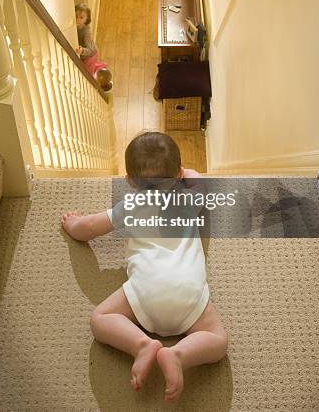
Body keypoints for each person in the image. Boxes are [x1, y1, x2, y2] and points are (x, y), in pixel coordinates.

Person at [61, 132, 228, 402]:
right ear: (178, 174)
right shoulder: (188, 199)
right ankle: (179, 354)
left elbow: (87, 229)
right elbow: (204, 187)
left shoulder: (129, 205)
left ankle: (140, 345)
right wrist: (191, 174)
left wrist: (73, 224)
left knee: (100, 319)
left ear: (129, 181)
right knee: (218, 341)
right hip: (188, 293)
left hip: (145, 291)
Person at [74, 3, 109, 83]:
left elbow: (90, 50)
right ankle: (99, 66)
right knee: (88, 68)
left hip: (90, 56)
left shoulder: (86, 32)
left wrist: (82, 50)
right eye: (76, 17)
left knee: (88, 76)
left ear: (87, 19)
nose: (78, 19)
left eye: (81, 17)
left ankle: (98, 71)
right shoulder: (76, 26)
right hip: (85, 55)